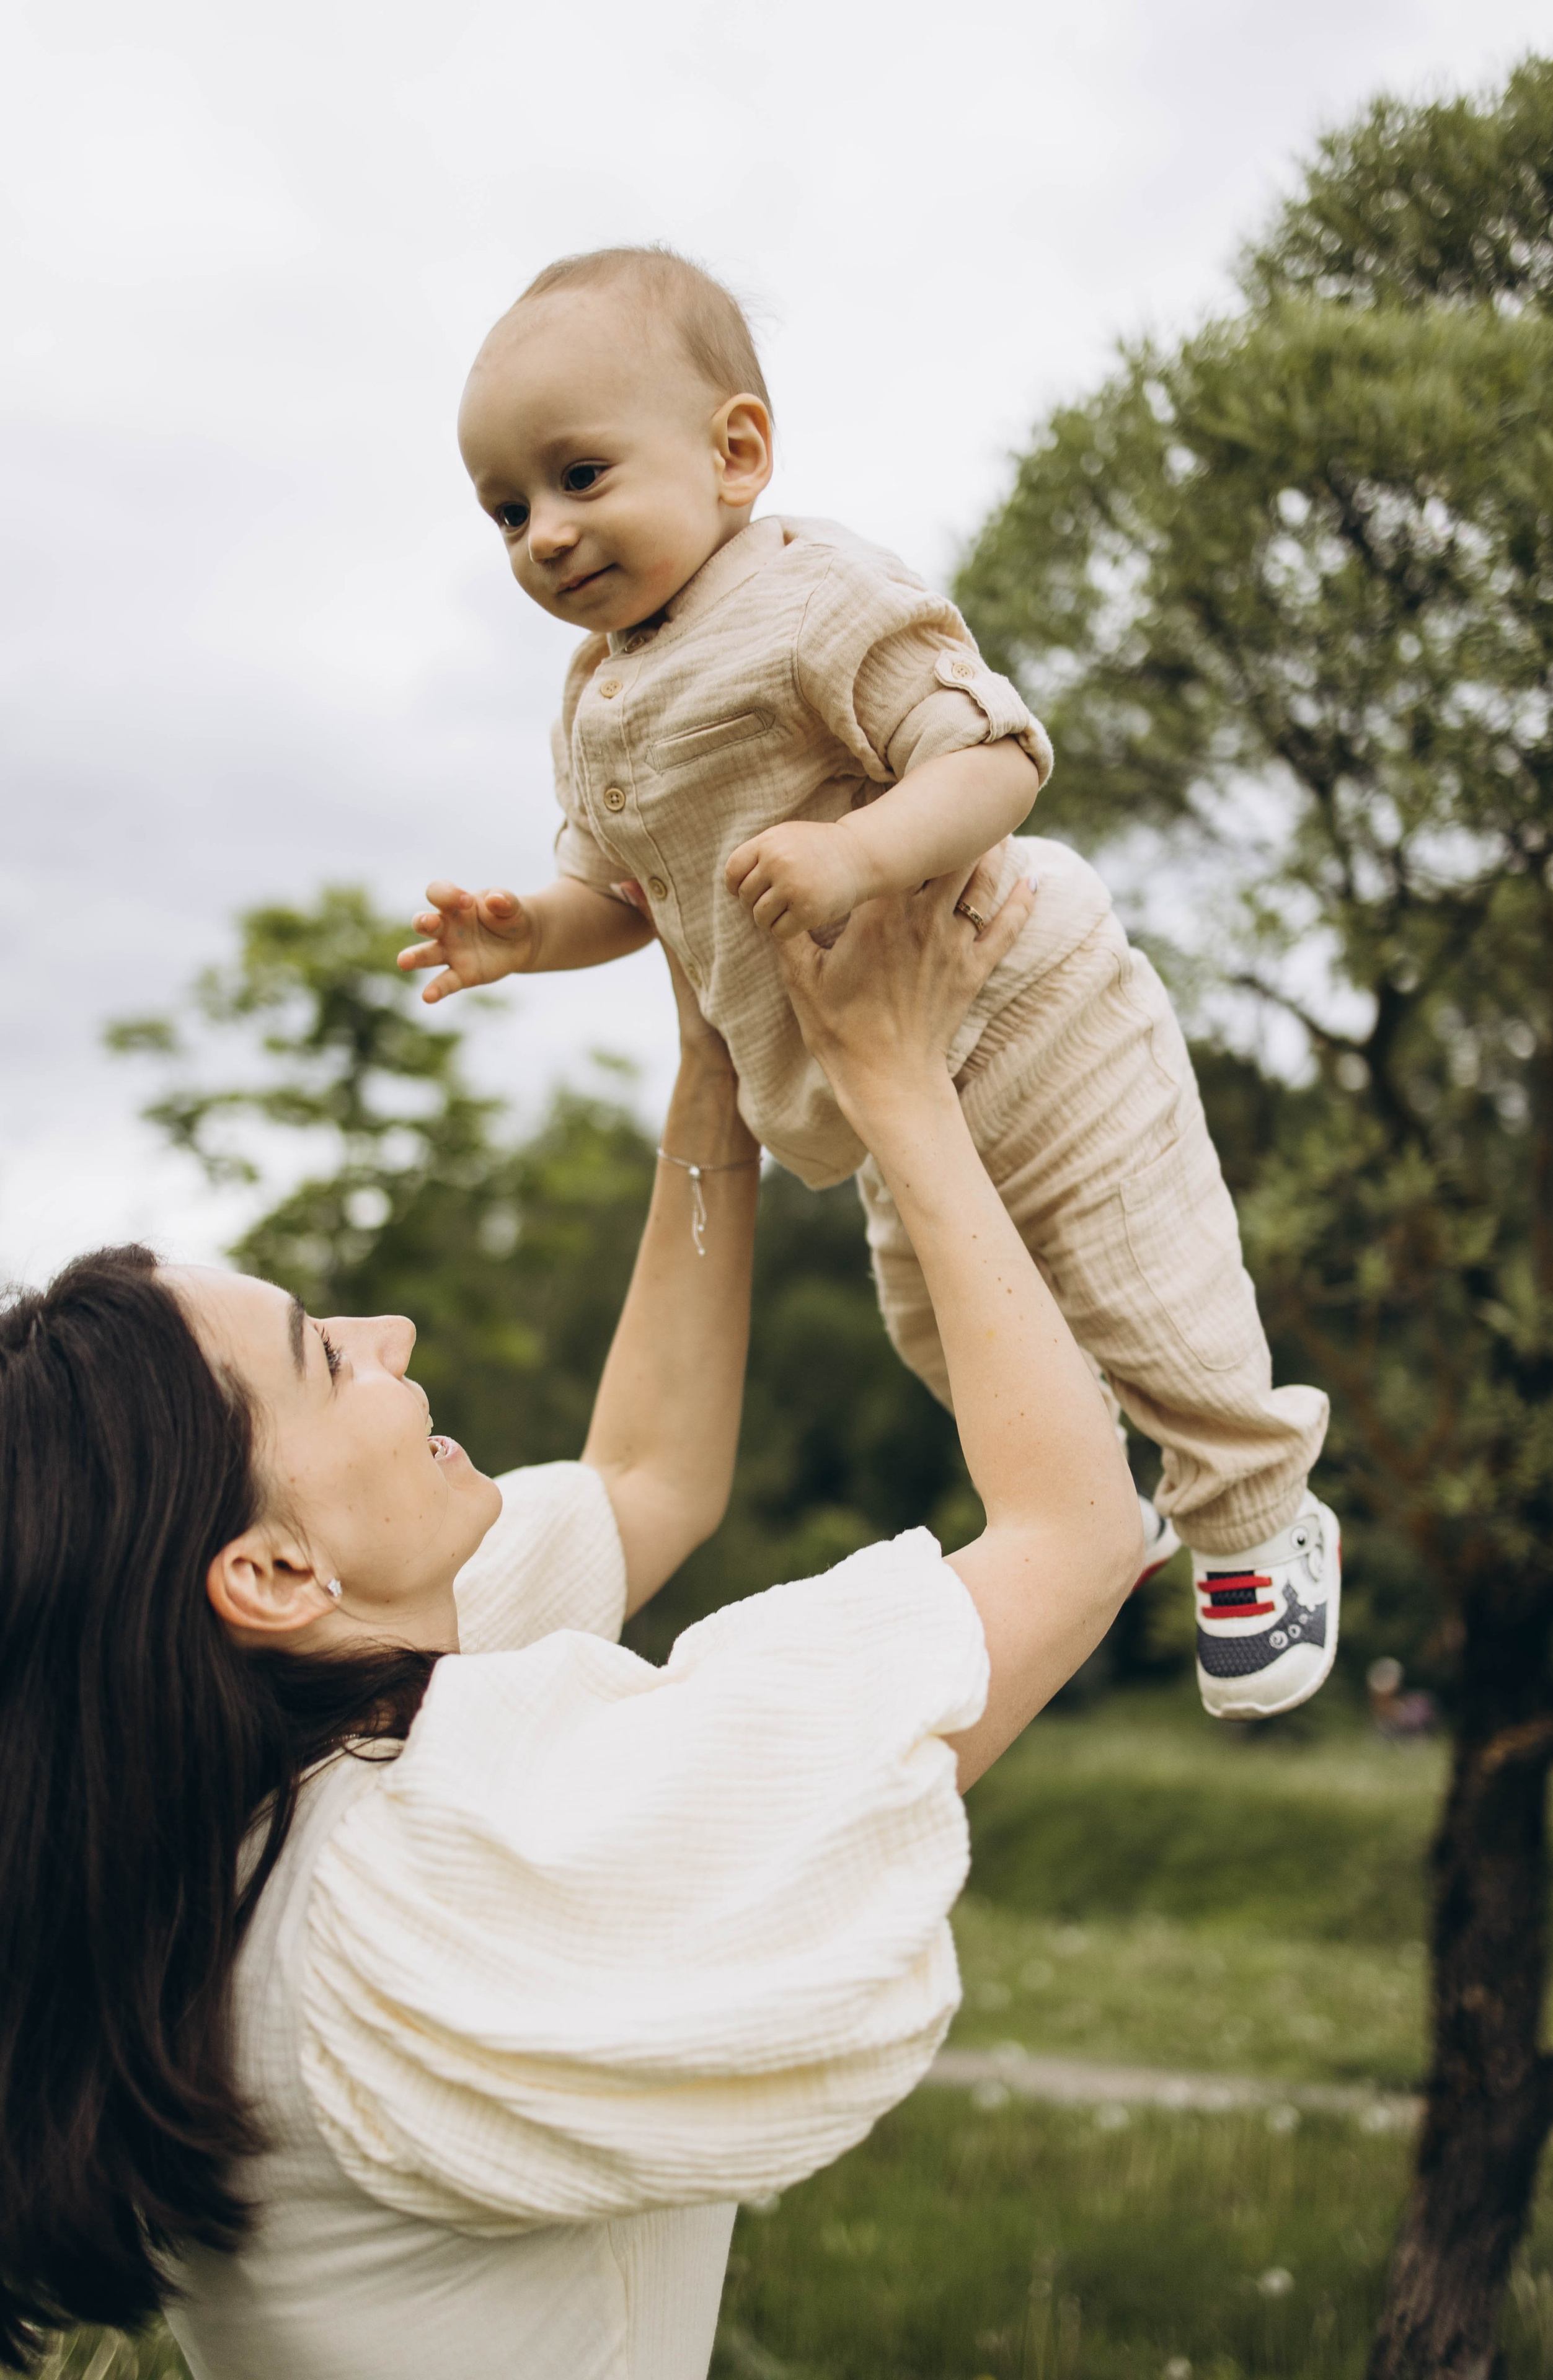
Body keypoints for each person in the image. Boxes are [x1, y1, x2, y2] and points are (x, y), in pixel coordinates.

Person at [0, 863, 1142, 2380]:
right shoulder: (439, 1880)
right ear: (270, 1575)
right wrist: (895, 1079)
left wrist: (711, 1068)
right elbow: (1076, 1537)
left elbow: (647, 1476)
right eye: (324, 1358)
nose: (388, 1334)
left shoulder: (264, 1757)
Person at [399, 243, 1340, 1722]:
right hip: (867, 1088)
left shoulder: (813, 597)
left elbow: (995, 755)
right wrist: (532, 934)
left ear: (734, 453)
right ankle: (1100, 1495)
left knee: (1142, 1282)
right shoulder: (593, 702)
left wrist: (859, 854)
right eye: (508, 510)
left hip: (1022, 1004)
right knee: (934, 1328)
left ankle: (1255, 1513)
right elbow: (626, 898)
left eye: (579, 477)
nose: (545, 535)